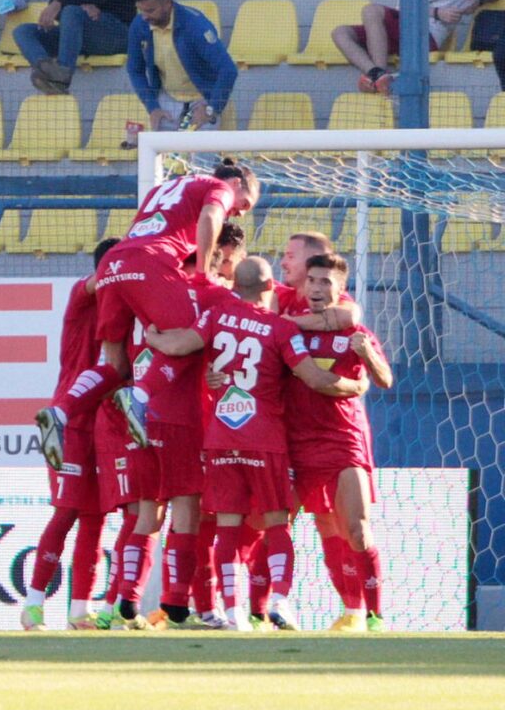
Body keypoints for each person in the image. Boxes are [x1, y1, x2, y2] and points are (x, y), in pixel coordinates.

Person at [145, 257, 367, 631]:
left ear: (236, 287)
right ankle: (279, 599)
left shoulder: (216, 316)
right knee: (277, 524)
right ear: (269, 289)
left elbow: (182, 345)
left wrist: (153, 338)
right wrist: (354, 386)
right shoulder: (280, 328)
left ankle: (231, 611)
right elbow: (314, 379)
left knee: (227, 528)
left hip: (221, 439)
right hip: (265, 439)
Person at [35, 160, 260, 463]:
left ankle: (61, 411)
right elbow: (210, 215)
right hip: (150, 261)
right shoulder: (218, 187)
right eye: (244, 203)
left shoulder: (163, 187)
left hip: (113, 264)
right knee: (188, 340)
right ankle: (140, 396)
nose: (240, 213)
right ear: (236, 184)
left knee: (116, 366)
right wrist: (203, 273)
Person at [286, 254, 393, 633]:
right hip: (298, 441)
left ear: (340, 289)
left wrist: (367, 357)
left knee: (357, 528)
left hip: (344, 438)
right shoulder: (287, 326)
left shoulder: (355, 332)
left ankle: (375, 616)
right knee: (324, 527)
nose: (317, 288)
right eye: (312, 280)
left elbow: (384, 379)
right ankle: (351, 612)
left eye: (325, 282)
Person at [21, 239, 119, 632]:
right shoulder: (83, 295)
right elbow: (99, 282)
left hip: (106, 423)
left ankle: (79, 611)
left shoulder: (125, 313)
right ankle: (32, 606)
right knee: (66, 512)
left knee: (95, 519)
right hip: (71, 421)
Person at [332, 0, 497, 95]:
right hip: (404, 25)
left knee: (371, 10)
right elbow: (404, 3)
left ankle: (377, 76)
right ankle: (377, 73)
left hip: (429, 34)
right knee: (340, 32)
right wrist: (436, 12)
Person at [14, 0, 134, 95]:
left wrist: (65, 3)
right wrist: (77, 5)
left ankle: (62, 76)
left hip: (117, 30)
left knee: (71, 12)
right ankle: (47, 73)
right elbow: (55, 7)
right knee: (23, 31)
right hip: (75, 32)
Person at [126, 0, 236, 134]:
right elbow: (135, 69)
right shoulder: (139, 25)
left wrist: (211, 108)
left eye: (150, 10)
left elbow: (228, 70)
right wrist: (153, 107)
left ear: (168, 4)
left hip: (202, 99)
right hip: (167, 99)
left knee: (201, 159)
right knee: (162, 158)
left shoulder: (195, 26)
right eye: (141, 10)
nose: (144, 17)